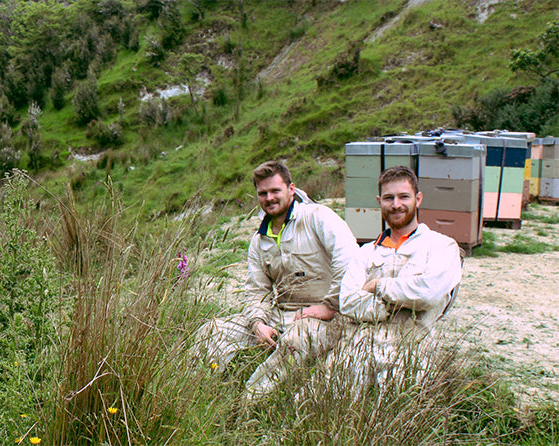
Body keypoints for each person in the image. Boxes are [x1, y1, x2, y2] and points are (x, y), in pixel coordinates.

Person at [193, 160, 359, 400]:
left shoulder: (318, 217)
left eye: (275, 191)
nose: (269, 198)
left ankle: (248, 406)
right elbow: (256, 291)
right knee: (213, 331)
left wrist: (331, 305)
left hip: (330, 318)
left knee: (295, 342)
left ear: (291, 189)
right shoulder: (258, 241)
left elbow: (350, 259)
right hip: (282, 314)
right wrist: (258, 323)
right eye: (263, 193)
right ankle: (198, 395)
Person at [319, 165, 463, 397]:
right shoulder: (365, 252)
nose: (396, 204)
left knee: (399, 415)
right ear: (379, 202)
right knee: (321, 403)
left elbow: (429, 293)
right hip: (359, 345)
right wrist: (401, 303)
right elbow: (347, 302)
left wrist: (378, 286)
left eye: (403, 196)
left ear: (418, 199)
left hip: (413, 350)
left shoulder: (442, 246)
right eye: (389, 198)